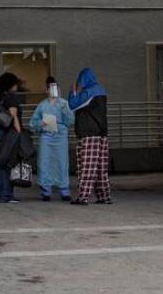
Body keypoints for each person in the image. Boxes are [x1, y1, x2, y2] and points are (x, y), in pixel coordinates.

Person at [69, 68, 112, 205]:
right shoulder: (101, 90)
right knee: (101, 168)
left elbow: (72, 105)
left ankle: (83, 197)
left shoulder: (89, 92)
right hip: (102, 134)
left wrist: (73, 92)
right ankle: (104, 196)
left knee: (87, 166)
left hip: (89, 134)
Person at [30, 76, 74, 202]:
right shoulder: (42, 105)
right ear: (46, 89)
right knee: (44, 163)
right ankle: (46, 190)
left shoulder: (64, 103)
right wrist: (41, 124)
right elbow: (33, 122)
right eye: (50, 88)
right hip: (46, 137)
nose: (53, 90)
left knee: (62, 163)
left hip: (60, 137)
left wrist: (64, 109)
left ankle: (64, 190)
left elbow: (70, 120)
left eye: (55, 87)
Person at [0, 73, 24, 203]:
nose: (17, 86)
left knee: (2, 163)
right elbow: (13, 115)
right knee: (7, 163)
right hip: (6, 133)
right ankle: (6, 195)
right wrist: (19, 132)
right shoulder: (11, 98)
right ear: (10, 85)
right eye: (15, 83)